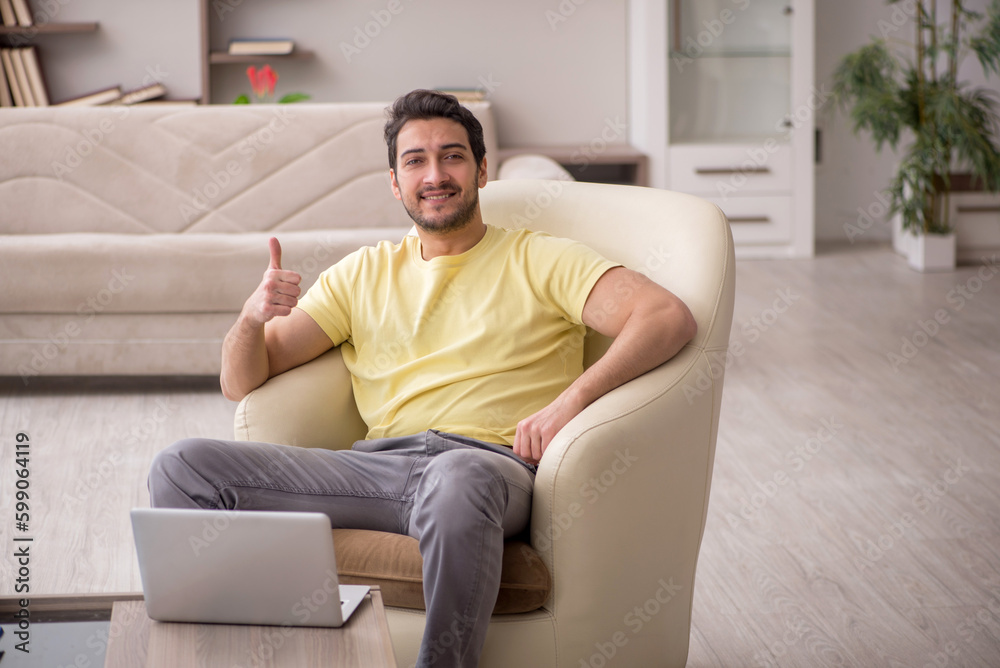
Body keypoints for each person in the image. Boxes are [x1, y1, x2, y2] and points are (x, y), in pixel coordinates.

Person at [147, 89, 697, 667]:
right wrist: (250, 318)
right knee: (181, 467)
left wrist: (573, 400)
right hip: (374, 470)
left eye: (452, 156)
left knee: (456, 475)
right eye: (415, 161)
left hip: (487, 468)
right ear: (394, 182)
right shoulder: (361, 273)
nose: (435, 175)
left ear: (482, 169)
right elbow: (241, 381)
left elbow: (666, 317)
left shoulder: (542, 258)